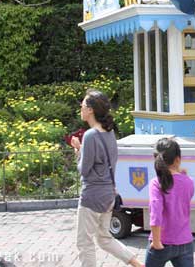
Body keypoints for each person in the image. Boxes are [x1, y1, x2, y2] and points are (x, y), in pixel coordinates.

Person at [71, 89, 143, 267]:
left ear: (90, 110)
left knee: (84, 243)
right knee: (104, 238)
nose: (80, 108)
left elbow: (84, 170)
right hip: (109, 193)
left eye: (83, 105)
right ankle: (138, 264)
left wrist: (78, 151)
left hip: (92, 196)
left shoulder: (90, 136)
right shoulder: (109, 133)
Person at [146, 138, 195, 267]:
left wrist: (156, 241)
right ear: (178, 159)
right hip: (185, 242)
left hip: (161, 242)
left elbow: (155, 213)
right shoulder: (189, 182)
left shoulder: (156, 183)